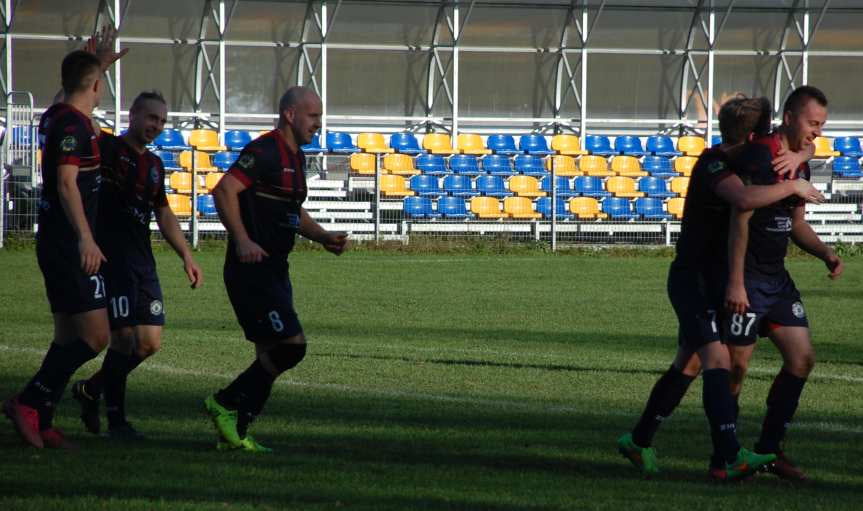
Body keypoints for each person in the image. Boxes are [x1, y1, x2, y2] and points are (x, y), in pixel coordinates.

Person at [617, 96, 824, 479]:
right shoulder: (715, 163)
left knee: (689, 363)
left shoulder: (745, 157)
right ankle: (728, 457)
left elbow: (796, 139)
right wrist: (795, 182)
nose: (769, 139)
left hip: (713, 278)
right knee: (717, 360)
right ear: (750, 135)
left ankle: (639, 440)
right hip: (692, 279)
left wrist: (801, 154)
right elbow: (745, 199)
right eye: (763, 133)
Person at [203, 86, 348, 452]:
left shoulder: (297, 158)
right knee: (292, 347)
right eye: (313, 115)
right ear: (290, 114)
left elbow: (291, 211)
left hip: (276, 269)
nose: (318, 123)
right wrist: (242, 240)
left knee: (269, 354)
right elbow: (224, 191)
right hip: (252, 268)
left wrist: (323, 236)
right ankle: (223, 401)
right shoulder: (264, 150)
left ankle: (236, 433)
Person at [2, 33, 125, 448]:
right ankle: (29, 400)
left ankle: (44, 419)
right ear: (96, 87)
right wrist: (87, 240)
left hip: (53, 241)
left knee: (67, 338)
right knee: (95, 337)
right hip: (70, 245)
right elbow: (67, 184)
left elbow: (69, 91)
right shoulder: (73, 125)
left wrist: (96, 65)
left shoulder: (55, 114)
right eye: (100, 80)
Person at [723, 85, 843, 481]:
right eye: (812, 123)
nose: (817, 132)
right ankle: (725, 453)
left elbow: (796, 224)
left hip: (776, 279)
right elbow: (739, 217)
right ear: (789, 117)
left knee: (802, 359)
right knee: (736, 368)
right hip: (748, 279)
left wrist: (825, 253)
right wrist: (736, 283)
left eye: (822, 125)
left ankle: (770, 449)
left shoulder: (802, 162)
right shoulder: (759, 156)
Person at [70, 89, 203, 440]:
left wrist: (186, 255)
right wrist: (89, 78)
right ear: (133, 116)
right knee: (124, 339)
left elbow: (163, 212)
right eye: (150, 118)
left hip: (142, 261)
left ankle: (91, 390)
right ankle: (117, 422)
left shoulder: (155, 166)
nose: (156, 126)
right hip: (111, 259)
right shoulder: (109, 149)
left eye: (161, 121)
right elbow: (76, 117)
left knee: (149, 343)